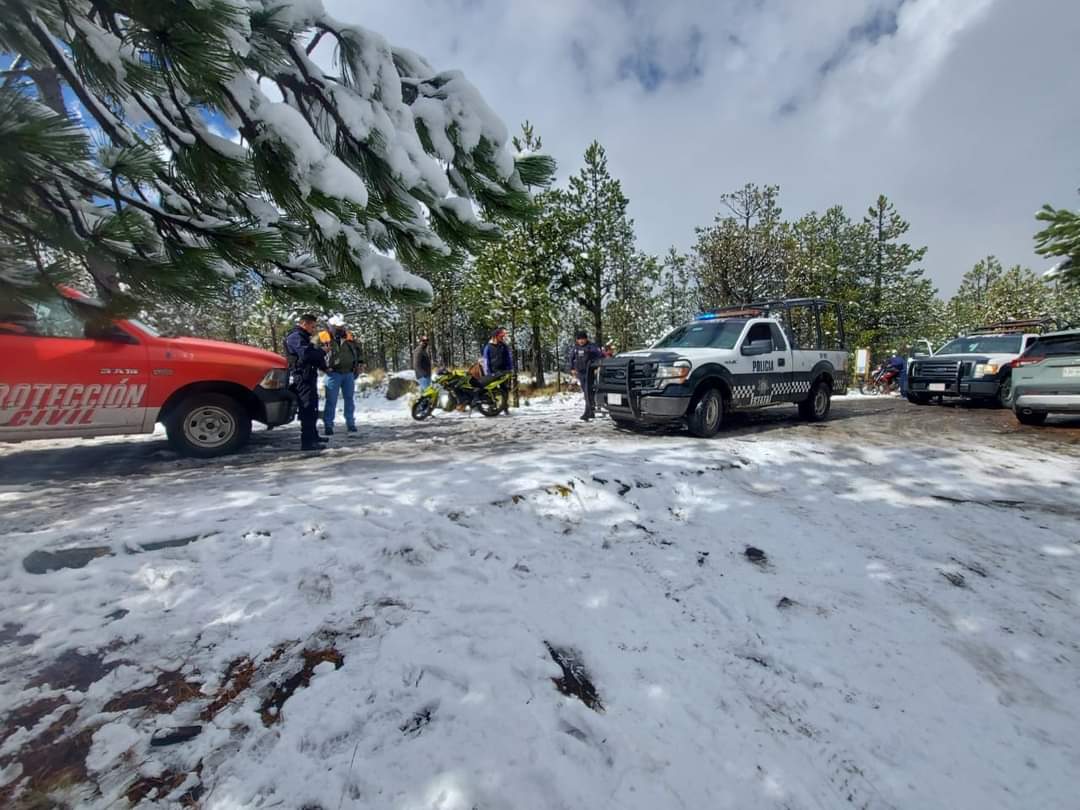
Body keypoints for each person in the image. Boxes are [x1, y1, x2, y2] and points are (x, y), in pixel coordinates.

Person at [284, 314, 328, 451]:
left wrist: (324, 367)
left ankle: (313, 436)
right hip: (301, 377)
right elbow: (307, 355)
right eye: (312, 326)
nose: (314, 329)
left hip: (309, 375)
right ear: (304, 324)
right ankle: (307, 442)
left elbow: (312, 355)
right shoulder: (295, 337)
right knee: (307, 407)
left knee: (312, 407)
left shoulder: (304, 337)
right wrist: (322, 351)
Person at [323, 323, 361, 434]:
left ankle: (351, 423)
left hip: (348, 373)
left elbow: (359, 351)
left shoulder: (349, 338)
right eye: (337, 326)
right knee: (331, 401)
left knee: (349, 400)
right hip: (333, 374)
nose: (340, 328)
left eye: (342, 326)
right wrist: (323, 367)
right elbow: (316, 353)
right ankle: (328, 425)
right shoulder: (325, 338)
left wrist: (360, 363)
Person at [567, 330, 604, 421]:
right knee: (586, 392)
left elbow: (600, 356)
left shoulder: (591, 347)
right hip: (580, 373)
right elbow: (571, 358)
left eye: (583, 339)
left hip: (589, 372)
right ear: (577, 340)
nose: (581, 341)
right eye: (579, 339)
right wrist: (572, 368)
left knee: (588, 392)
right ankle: (591, 410)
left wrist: (597, 367)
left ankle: (588, 411)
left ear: (586, 339)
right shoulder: (576, 348)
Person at [481, 327, 513, 414]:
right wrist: (488, 373)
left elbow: (508, 359)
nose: (502, 338)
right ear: (495, 336)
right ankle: (492, 407)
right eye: (500, 336)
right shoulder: (488, 347)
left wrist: (509, 369)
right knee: (492, 391)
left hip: (503, 372)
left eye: (502, 337)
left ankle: (505, 407)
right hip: (493, 372)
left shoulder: (504, 346)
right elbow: (486, 361)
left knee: (505, 390)